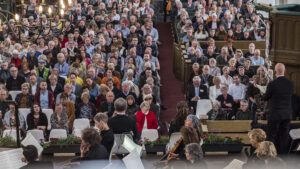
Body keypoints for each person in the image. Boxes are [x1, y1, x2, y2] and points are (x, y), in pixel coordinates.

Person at [262, 63, 294, 154]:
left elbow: (266, 98)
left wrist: (263, 95)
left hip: (275, 114)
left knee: (271, 136)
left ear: (275, 72)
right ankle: (283, 157)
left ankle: (271, 156)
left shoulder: (272, 84)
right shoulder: (290, 84)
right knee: (284, 136)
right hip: (287, 114)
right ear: (285, 71)